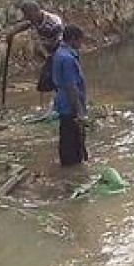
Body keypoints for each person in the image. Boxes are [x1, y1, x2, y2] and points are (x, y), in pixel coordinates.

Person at [6, 0, 64, 100]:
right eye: (26, 16)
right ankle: (51, 103)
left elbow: (60, 40)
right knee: (44, 84)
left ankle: (62, 102)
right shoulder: (35, 19)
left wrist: (47, 55)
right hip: (49, 53)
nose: (28, 18)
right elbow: (27, 24)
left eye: (28, 15)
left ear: (36, 11)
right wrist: (13, 33)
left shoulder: (54, 21)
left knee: (57, 79)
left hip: (61, 53)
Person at [51, 25, 89, 167]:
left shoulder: (60, 53)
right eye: (80, 41)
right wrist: (79, 111)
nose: (81, 45)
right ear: (73, 39)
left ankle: (68, 170)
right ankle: (73, 170)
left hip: (63, 103)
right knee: (74, 141)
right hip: (70, 105)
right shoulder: (67, 59)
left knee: (67, 138)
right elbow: (71, 87)